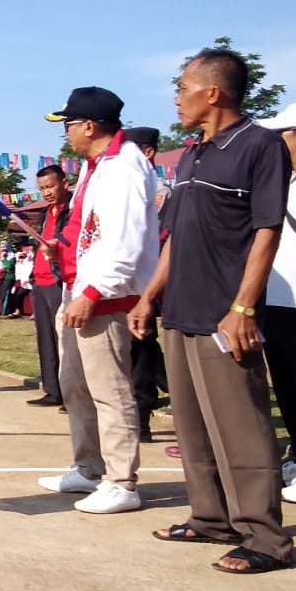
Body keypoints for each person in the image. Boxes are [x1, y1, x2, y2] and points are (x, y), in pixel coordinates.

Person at [129, 49, 293, 573]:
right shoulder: (194, 153)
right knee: (192, 425)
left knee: (241, 425)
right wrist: (151, 294)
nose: (176, 98)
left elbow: (268, 229)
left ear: (213, 92)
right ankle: (210, 519)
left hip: (225, 312)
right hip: (180, 309)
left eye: (182, 88)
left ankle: (265, 539)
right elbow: (176, 235)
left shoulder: (260, 145)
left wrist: (244, 306)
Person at [37, 86, 158, 515]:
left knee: (110, 388)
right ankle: (88, 466)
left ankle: (122, 480)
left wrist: (91, 293)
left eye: (68, 124)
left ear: (89, 125)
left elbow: (124, 241)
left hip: (105, 295)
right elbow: (86, 228)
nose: (66, 133)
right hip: (78, 286)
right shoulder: (96, 166)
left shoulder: (124, 168)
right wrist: (61, 248)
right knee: (76, 384)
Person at [257, 102, 296, 504]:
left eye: (282, 132)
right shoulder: (290, 179)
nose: (276, 139)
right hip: (277, 301)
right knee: (288, 385)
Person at [123, 126, 171, 442]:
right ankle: (173, 386)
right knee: (139, 351)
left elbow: (160, 239)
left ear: (148, 152)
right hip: (120, 282)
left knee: (140, 349)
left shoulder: (159, 191)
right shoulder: (125, 186)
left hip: (143, 283)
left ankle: (141, 419)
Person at [27, 165, 73, 409]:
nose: (46, 192)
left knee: (64, 340)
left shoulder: (73, 210)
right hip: (40, 281)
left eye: (50, 186)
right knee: (45, 339)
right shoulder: (45, 213)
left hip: (59, 281)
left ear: (64, 184)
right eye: (42, 188)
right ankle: (52, 390)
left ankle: (70, 392)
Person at [7, 247, 34, 319]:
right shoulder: (20, 265)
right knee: (19, 295)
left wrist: (31, 279)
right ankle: (18, 311)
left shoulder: (31, 263)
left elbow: (33, 272)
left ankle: (35, 313)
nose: (22, 259)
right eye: (21, 257)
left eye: (23, 257)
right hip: (25, 284)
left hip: (33, 283)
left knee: (34, 297)